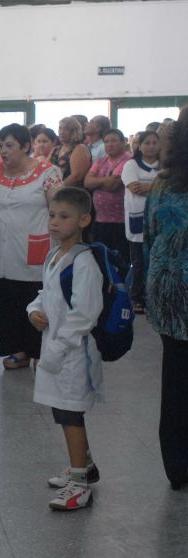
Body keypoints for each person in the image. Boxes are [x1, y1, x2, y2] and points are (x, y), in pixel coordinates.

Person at [26, 187, 103, 511]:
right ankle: (82, 466)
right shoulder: (54, 254)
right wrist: (34, 310)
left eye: (64, 217)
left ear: (83, 219)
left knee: (71, 413)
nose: (55, 223)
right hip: (55, 347)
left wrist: (56, 351)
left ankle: (80, 485)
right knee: (61, 410)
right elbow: (46, 293)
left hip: (73, 354)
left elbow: (84, 314)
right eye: (52, 215)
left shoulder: (84, 263)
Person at [0, 123, 62, 370]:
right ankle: (17, 349)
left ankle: (37, 349)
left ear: (26, 146)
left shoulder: (48, 173)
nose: (3, 151)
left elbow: (60, 210)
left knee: (32, 298)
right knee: (5, 298)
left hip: (34, 248)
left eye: (9, 145)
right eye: (0, 146)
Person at [144, 110, 188, 490]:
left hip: (169, 288)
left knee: (175, 377)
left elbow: (150, 234)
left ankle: (178, 465)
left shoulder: (162, 184)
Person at [121, 130, 160, 313]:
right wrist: (158, 187)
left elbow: (170, 188)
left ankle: (155, 297)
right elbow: (135, 187)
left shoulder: (165, 166)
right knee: (139, 261)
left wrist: (149, 187)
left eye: (154, 143)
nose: (151, 146)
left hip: (160, 219)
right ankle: (137, 297)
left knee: (157, 260)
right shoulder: (131, 165)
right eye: (147, 143)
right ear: (140, 146)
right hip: (137, 219)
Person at [84, 129, 132, 262]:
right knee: (101, 258)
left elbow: (113, 185)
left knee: (120, 260)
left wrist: (97, 181)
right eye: (106, 141)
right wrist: (106, 180)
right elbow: (87, 182)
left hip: (120, 221)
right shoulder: (101, 161)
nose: (110, 144)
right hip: (101, 220)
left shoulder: (128, 161)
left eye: (114, 141)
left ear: (123, 142)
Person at [51, 117, 92, 189]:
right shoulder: (56, 149)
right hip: (53, 191)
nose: (62, 132)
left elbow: (76, 176)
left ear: (75, 131)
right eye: (60, 128)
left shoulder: (80, 148)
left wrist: (57, 189)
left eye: (66, 129)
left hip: (72, 194)